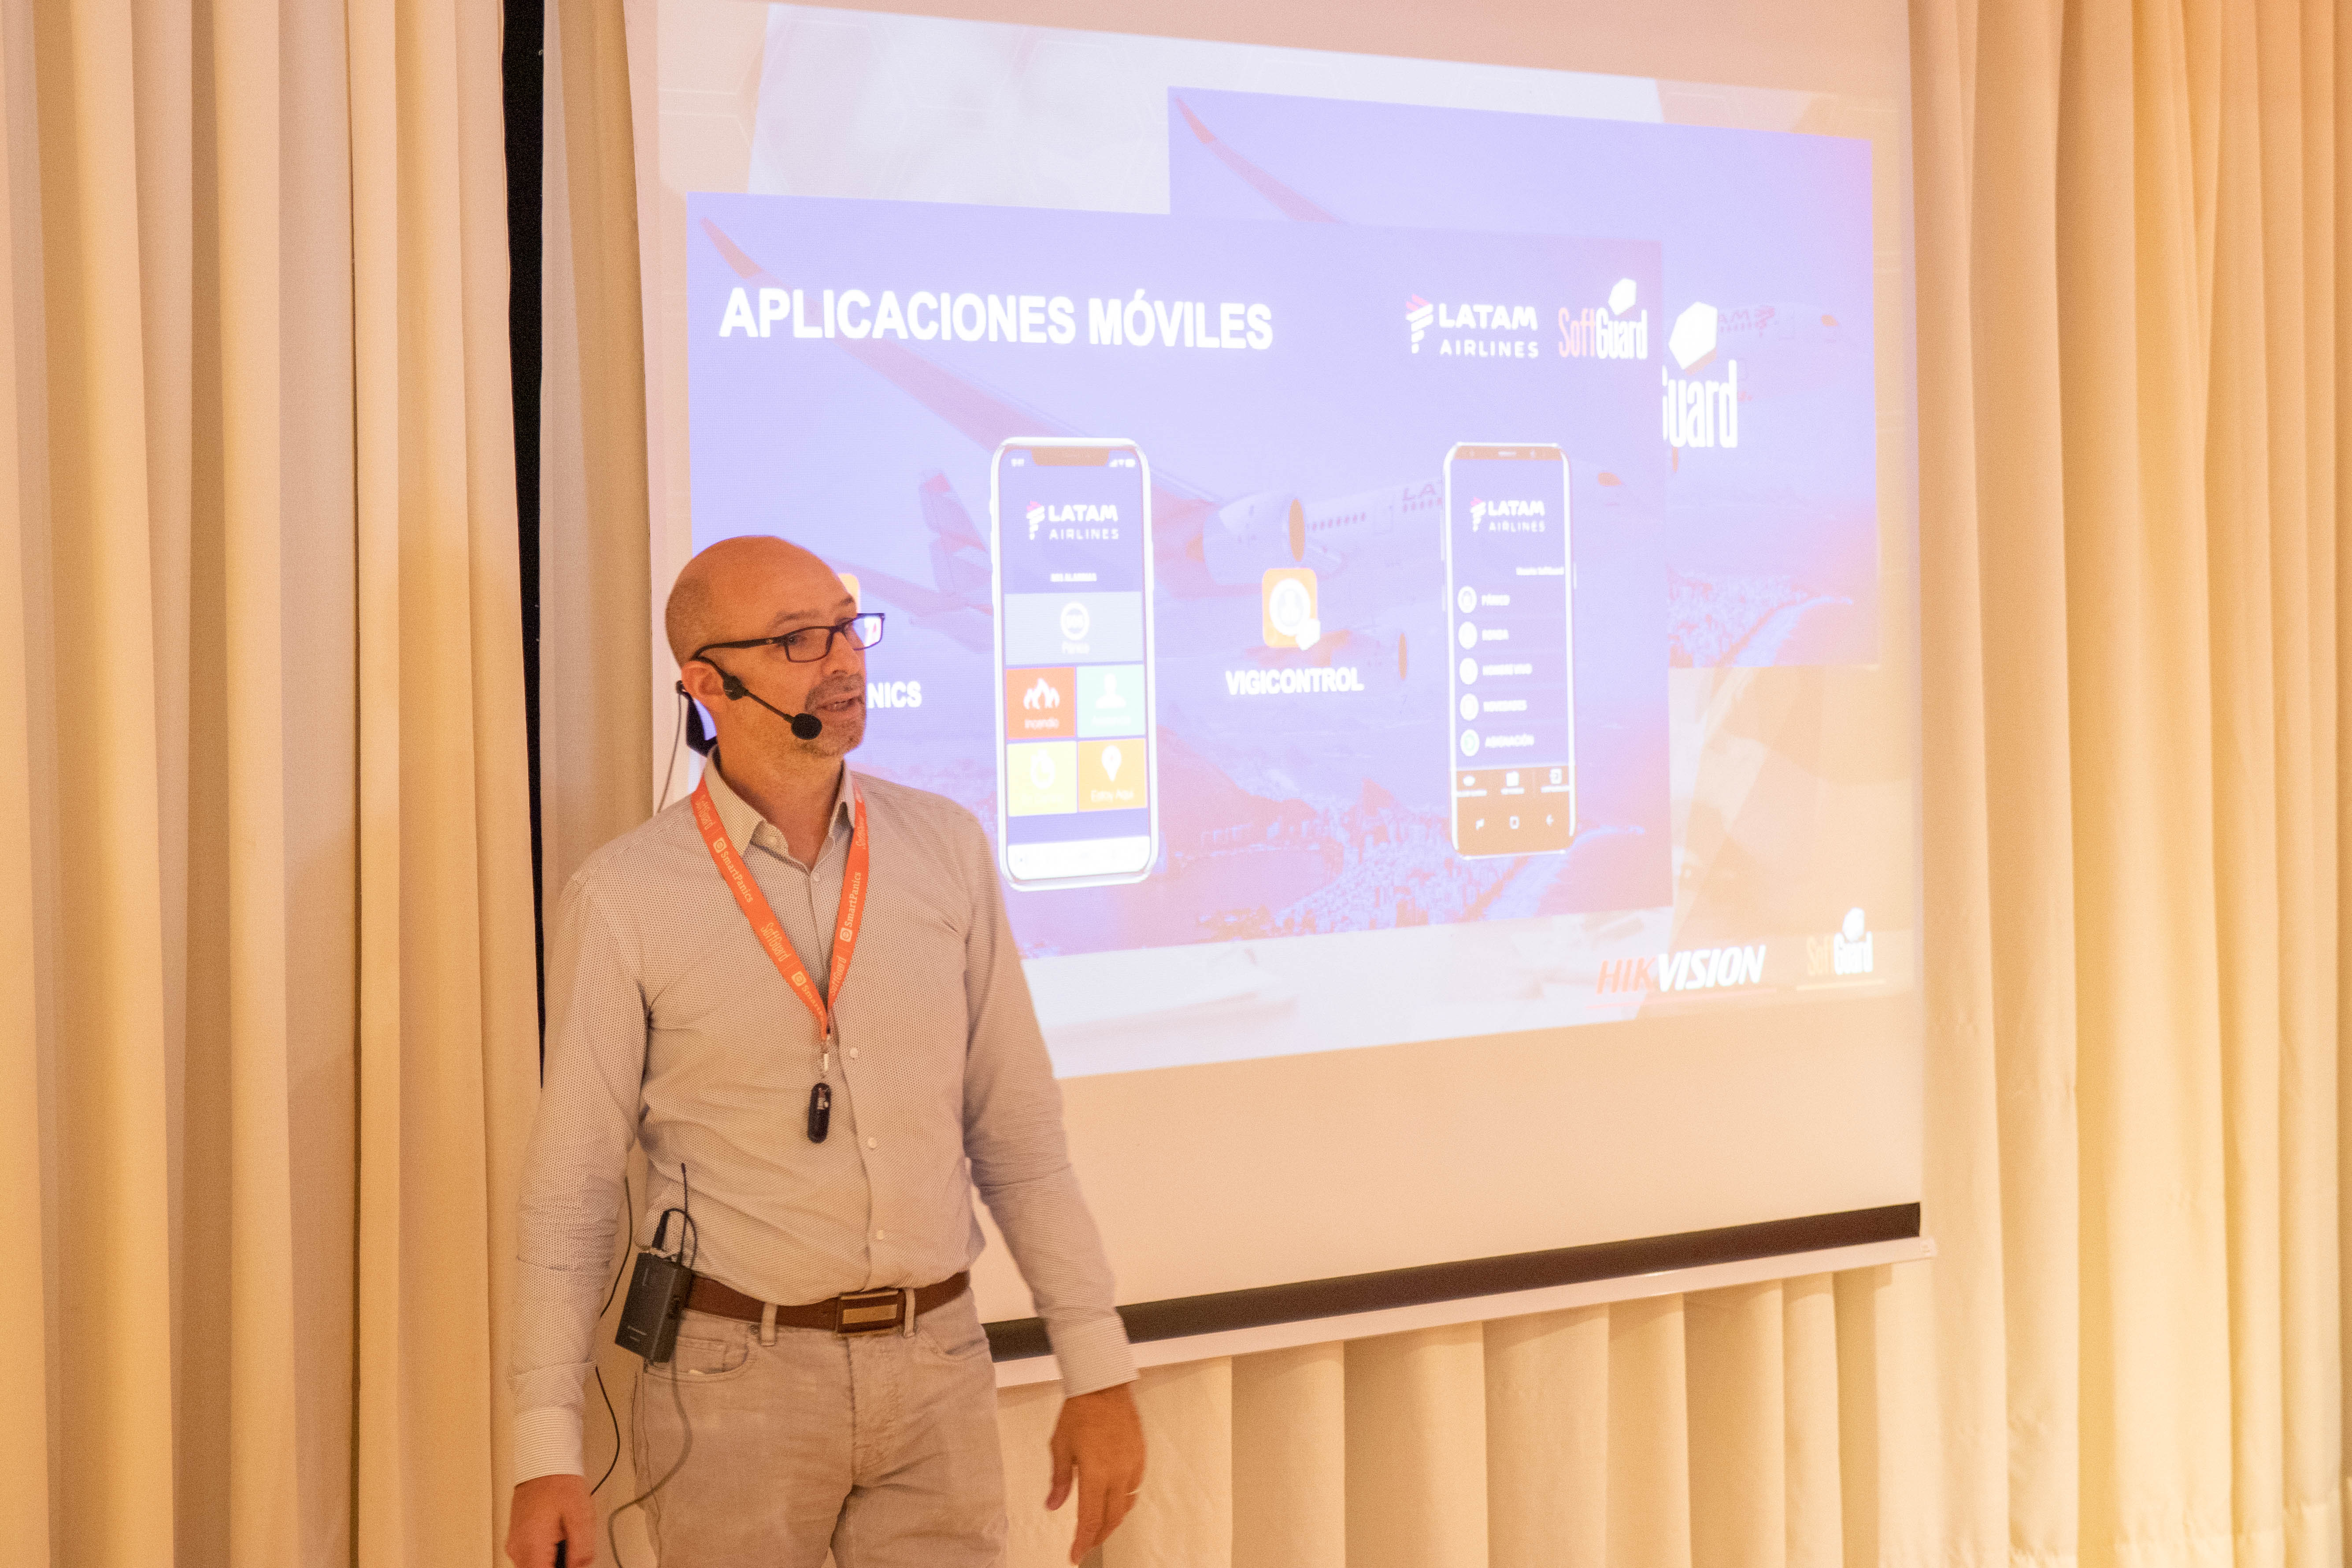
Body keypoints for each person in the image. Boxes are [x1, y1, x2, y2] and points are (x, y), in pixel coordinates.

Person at [505, 536, 1145, 1568]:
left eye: (848, 628)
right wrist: (546, 1452)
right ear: (708, 684)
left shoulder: (945, 847)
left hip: (938, 1364)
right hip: (731, 1383)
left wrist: (1098, 1367)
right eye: (800, 639)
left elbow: (1021, 1140)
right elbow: (571, 1191)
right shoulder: (625, 897)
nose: (844, 660)